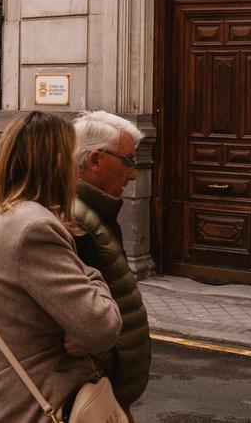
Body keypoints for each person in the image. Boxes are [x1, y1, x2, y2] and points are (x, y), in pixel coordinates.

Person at [0, 111, 123, 423]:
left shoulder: (1, 221)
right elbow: (101, 327)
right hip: (31, 411)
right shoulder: (32, 228)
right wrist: (93, 276)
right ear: (56, 164)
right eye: (71, 157)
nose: (76, 170)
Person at [71, 110, 152, 415]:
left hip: (109, 390)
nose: (133, 175)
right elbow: (79, 324)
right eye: (128, 162)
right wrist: (106, 366)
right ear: (95, 160)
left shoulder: (97, 213)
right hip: (97, 393)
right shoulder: (76, 222)